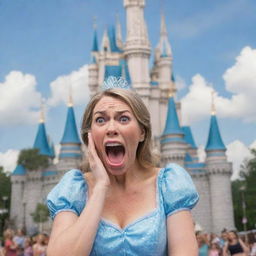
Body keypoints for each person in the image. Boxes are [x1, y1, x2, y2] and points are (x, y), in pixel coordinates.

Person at [46, 79, 199, 256]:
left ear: (142, 132)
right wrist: (101, 187)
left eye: (123, 118)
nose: (111, 128)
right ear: (90, 135)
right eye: (100, 120)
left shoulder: (169, 185)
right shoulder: (74, 189)